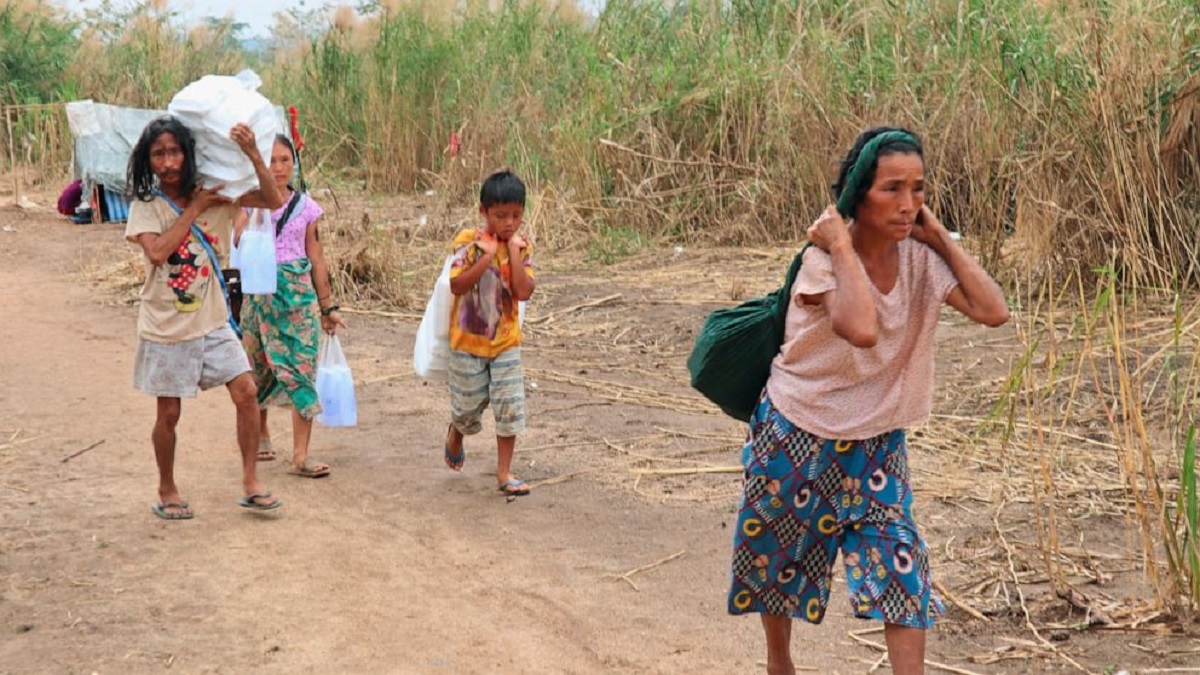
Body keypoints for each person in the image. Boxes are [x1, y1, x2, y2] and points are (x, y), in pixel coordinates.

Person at [727, 127, 1009, 675]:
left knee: (903, 568)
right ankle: (779, 663)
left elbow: (993, 310)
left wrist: (940, 239)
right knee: (778, 564)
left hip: (876, 446)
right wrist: (837, 243)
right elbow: (860, 327)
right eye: (892, 190)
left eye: (919, 190)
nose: (909, 205)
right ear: (859, 194)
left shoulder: (921, 260)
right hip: (796, 433)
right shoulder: (822, 261)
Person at [124, 116, 286, 519]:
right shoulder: (146, 207)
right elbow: (159, 252)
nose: (167, 162)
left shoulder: (220, 194)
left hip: (212, 322)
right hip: (166, 326)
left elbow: (273, 200)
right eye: (158, 154)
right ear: (148, 160)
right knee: (169, 414)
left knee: (247, 391)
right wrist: (196, 207)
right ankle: (166, 487)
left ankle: (251, 482)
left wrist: (251, 152)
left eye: (174, 151)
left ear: (189, 152)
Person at [235, 134, 346, 477]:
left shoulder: (306, 208)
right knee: (257, 368)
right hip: (258, 299)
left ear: (293, 163)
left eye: (285, 160)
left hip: (297, 301)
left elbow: (316, 257)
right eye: (271, 161)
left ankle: (301, 456)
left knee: (301, 369)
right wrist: (254, 214)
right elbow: (238, 239)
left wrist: (327, 307)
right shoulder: (250, 203)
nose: (279, 168)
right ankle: (262, 432)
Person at [442, 169, 536, 497]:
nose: (508, 223)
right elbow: (457, 284)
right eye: (500, 216)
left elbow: (524, 292)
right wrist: (485, 256)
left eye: (515, 216)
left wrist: (511, 252)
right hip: (468, 341)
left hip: (506, 341)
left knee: (510, 405)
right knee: (468, 407)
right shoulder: (467, 242)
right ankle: (457, 430)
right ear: (483, 212)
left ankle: (504, 471)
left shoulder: (522, 249)